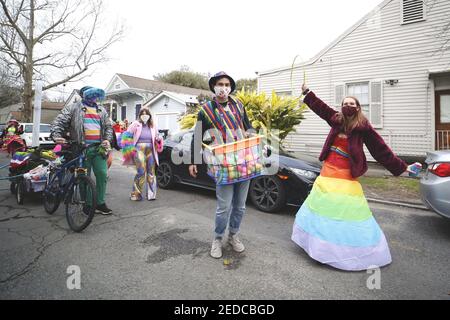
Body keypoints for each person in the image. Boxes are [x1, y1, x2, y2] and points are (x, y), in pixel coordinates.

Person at [291, 84, 421, 271]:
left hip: (345, 176)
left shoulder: (363, 127)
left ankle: (344, 252)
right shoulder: (335, 119)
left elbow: (380, 149)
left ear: (358, 107)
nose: (348, 105)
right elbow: (321, 107)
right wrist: (307, 93)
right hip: (327, 173)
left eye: (352, 103)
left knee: (343, 213)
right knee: (323, 212)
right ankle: (321, 249)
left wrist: (403, 167)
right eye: (345, 103)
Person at [189, 71, 253, 259]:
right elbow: (198, 136)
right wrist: (193, 160)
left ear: (230, 87)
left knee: (240, 206)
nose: (223, 87)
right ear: (214, 87)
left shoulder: (239, 106)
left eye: (226, 84)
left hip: (243, 161)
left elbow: (248, 127)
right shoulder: (206, 110)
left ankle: (233, 235)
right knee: (224, 206)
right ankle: (217, 238)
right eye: (220, 84)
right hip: (223, 164)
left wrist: (251, 134)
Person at [50, 86, 114, 215]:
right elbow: (59, 122)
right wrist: (56, 135)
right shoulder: (73, 107)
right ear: (83, 95)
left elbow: (108, 127)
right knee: (82, 177)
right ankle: (87, 204)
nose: (93, 97)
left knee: (102, 174)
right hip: (80, 150)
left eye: (95, 95)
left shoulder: (101, 109)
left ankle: (100, 203)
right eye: (90, 95)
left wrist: (107, 139)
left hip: (99, 149)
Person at [121, 108, 163, 201]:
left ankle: (152, 195)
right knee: (141, 172)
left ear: (149, 115)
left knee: (151, 172)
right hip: (139, 149)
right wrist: (129, 150)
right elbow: (126, 135)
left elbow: (157, 136)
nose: (144, 115)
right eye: (142, 114)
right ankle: (136, 194)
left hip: (150, 150)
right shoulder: (135, 124)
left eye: (146, 114)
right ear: (139, 115)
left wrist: (159, 138)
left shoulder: (153, 125)